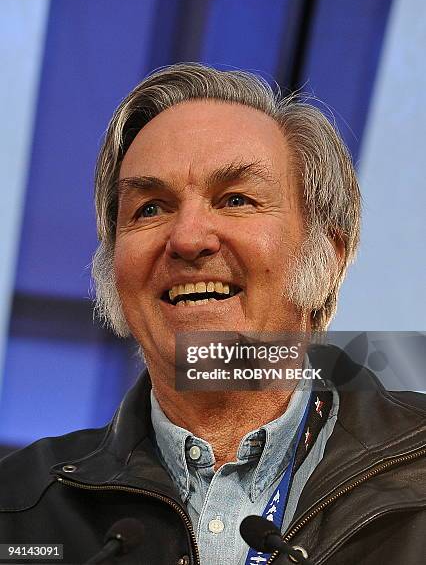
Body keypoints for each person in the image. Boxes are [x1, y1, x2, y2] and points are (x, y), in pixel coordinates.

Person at [0, 63, 424, 565]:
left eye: (236, 199)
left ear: (327, 257)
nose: (187, 238)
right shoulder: (17, 509)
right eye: (150, 208)